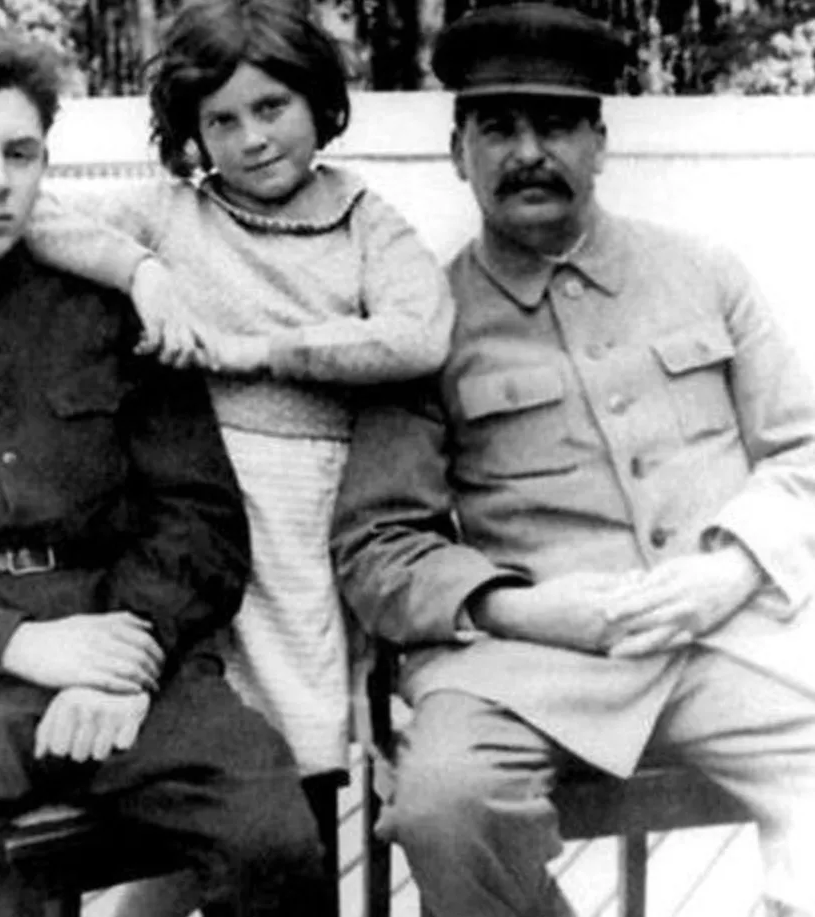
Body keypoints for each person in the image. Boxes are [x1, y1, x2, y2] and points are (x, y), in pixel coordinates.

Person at [0, 23, 329, 917]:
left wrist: (128, 655)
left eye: (20, 152)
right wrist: (15, 646)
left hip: (122, 664)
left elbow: (201, 523)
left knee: (276, 837)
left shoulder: (118, 323)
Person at [330, 4, 815, 916]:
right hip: (525, 661)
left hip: (724, 636)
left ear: (600, 143)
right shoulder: (422, 322)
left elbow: (804, 451)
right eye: (498, 128)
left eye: (555, 124)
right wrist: (513, 605)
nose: (528, 153)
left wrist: (732, 569)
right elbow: (379, 546)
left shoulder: (704, 272)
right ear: (457, 151)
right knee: (445, 807)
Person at [24, 0, 455, 782]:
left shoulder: (364, 221)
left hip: (304, 501)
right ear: (194, 132)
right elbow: (34, 216)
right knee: (194, 714)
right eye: (222, 121)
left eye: (271, 107)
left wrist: (262, 351)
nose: (252, 138)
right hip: (186, 499)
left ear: (318, 103)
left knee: (301, 724)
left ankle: (303, 836)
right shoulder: (171, 212)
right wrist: (140, 270)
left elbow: (417, 332)